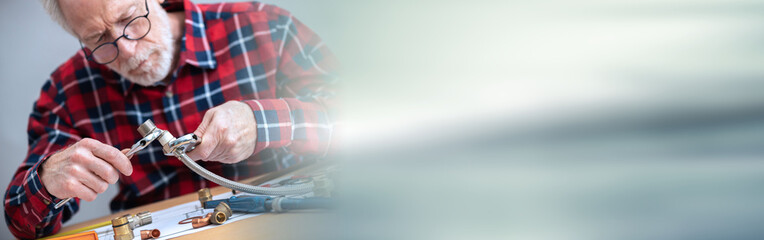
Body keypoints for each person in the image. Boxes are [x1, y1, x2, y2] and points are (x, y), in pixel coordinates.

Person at [4, 0, 337, 238]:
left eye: (130, 19)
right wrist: (49, 178)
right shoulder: (69, 90)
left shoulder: (263, 26)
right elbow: (20, 221)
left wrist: (261, 122)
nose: (128, 52)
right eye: (98, 40)